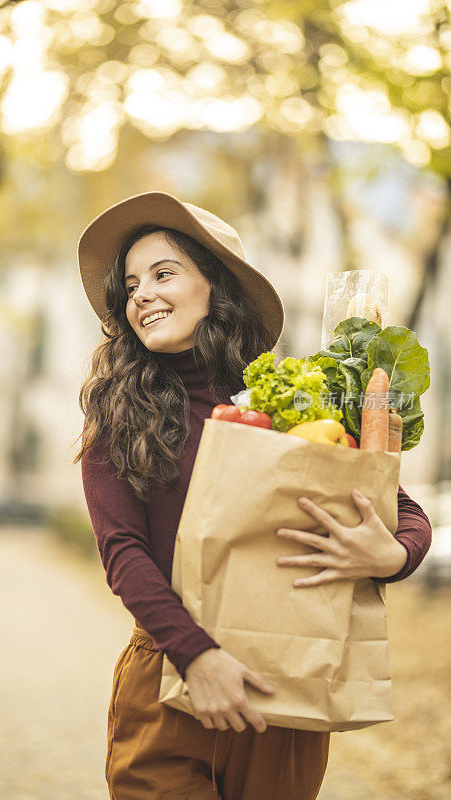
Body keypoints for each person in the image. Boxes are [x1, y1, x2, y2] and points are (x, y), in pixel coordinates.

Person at [74, 191, 432, 800]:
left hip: (286, 691)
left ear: (217, 286)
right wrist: (196, 655)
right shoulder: (117, 412)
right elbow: (123, 552)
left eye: (164, 273)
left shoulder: (293, 397)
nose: (141, 294)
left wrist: (391, 556)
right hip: (170, 675)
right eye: (130, 284)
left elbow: (405, 510)